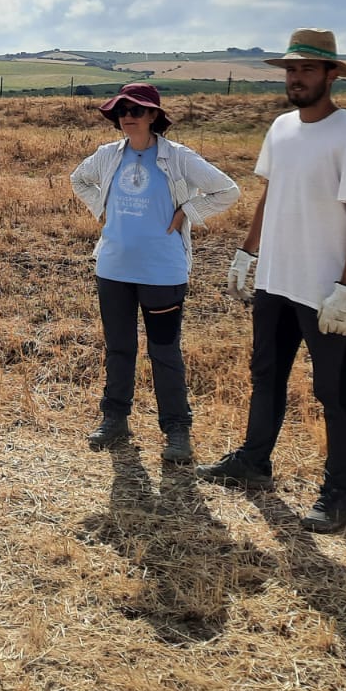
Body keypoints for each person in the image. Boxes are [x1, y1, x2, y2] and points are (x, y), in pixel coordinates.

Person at [197, 29, 346, 534]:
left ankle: (340, 493)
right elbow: (271, 193)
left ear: (330, 75)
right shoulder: (281, 128)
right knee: (266, 375)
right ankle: (255, 462)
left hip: (326, 289)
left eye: (306, 69)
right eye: (290, 70)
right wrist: (246, 251)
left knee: (334, 390)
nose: (296, 78)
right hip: (277, 280)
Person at [70, 83, 239, 464]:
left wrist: (188, 213)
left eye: (137, 109)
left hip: (163, 272)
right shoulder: (106, 156)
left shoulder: (178, 158)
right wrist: (104, 209)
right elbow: (78, 179)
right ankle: (115, 420)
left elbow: (227, 191)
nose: (128, 115)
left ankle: (177, 432)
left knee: (164, 352)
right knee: (119, 347)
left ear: (153, 117)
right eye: (122, 109)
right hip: (113, 268)